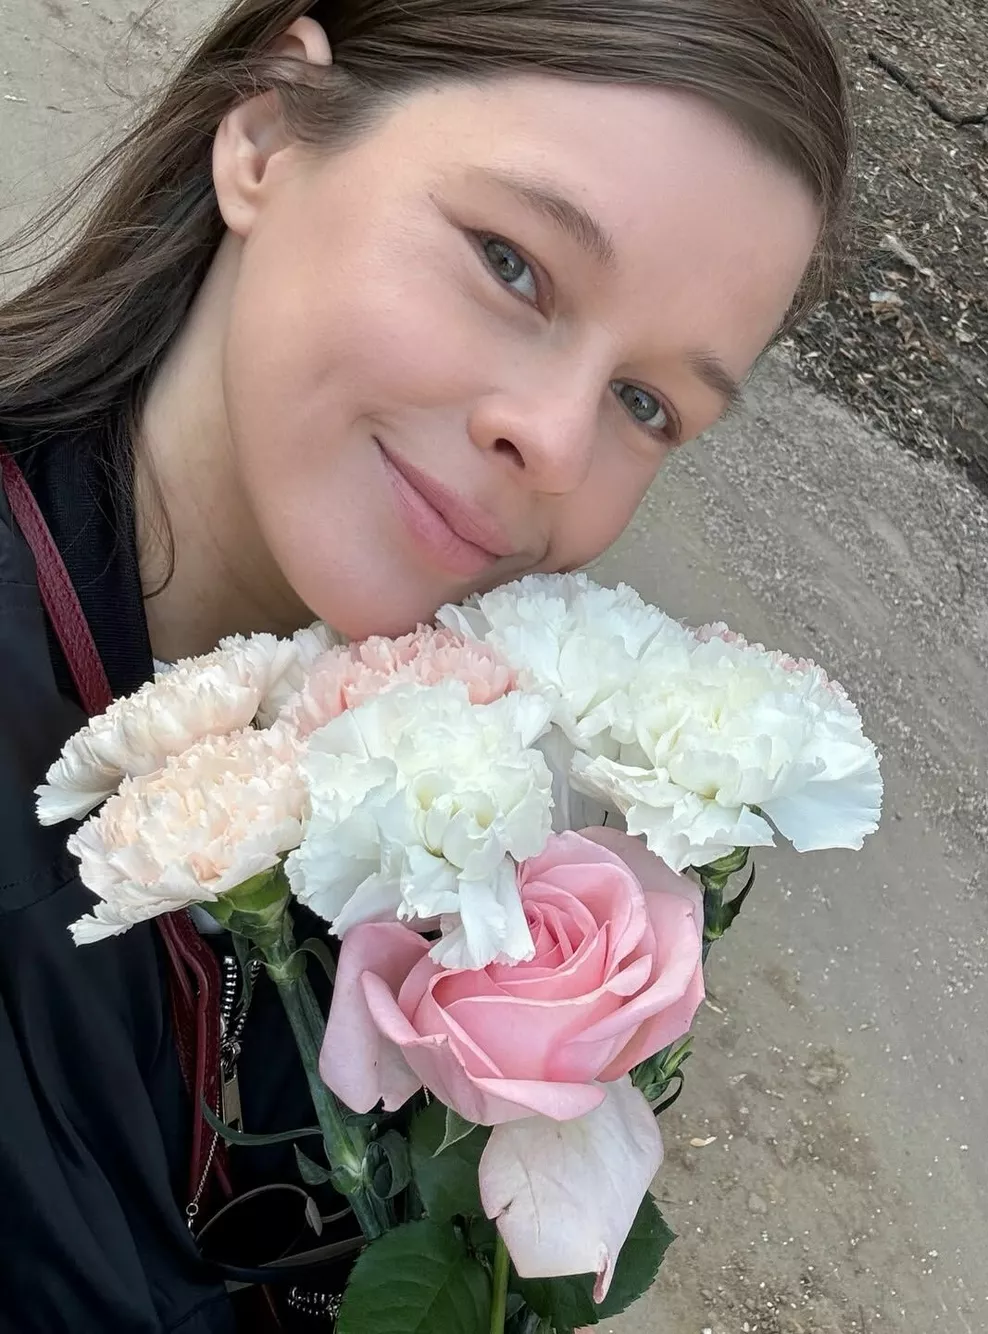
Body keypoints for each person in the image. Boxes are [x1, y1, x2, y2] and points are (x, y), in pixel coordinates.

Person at [0, 0, 851, 1329]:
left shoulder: (486, 811)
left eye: (644, 403)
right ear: (267, 136)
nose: (555, 444)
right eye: (513, 264)